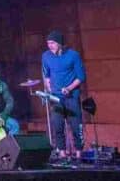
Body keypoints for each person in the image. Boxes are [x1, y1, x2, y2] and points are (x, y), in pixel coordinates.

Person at [42, 30, 85, 158]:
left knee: (76, 126)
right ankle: (62, 153)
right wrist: (49, 89)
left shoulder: (73, 55)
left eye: (53, 43)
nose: (50, 46)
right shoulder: (46, 56)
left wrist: (69, 88)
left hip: (71, 96)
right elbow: (46, 75)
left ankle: (78, 153)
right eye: (48, 43)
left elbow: (81, 77)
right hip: (55, 97)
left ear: (60, 43)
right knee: (58, 126)